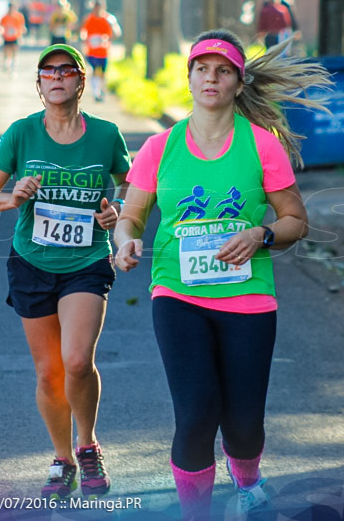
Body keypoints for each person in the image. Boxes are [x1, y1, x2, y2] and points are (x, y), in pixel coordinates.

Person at [113, 29, 331, 518]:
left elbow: (296, 220)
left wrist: (261, 235)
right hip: (177, 292)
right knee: (196, 414)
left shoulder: (262, 147)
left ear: (238, 81)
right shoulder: (159, 148)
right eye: (201, 68)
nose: (211, 77)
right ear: (189, 78)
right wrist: (125, 240)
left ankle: (248, 476)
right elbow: (131, 215)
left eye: (223, 70)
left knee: (244, 424)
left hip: (248, 295)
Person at [0, 43, 131, 501]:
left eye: (66, 70)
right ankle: (62, 458)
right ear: (39, 85)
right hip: (31, 262)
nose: (57, 77)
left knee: (78, 360)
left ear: (81, 81)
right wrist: (14, 196)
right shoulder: (22, 133)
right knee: (49, 373)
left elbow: (134, 183)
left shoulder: (105, 135)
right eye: (48, 72)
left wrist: (117, 210)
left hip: (87, 262)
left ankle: (88, 446)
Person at [79, 0, 121, 102]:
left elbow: (117, 33)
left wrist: (107, 39)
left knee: (102, 71)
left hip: (103, 51)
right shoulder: (88, 19)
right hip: (91, 50)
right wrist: (85, 39)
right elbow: (82, 32)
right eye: (96, 7)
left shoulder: (109, 19)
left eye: (99, 7)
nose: (97, 9)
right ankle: (95, 92)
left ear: (103, 7)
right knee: (94, 69)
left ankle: (101, 90)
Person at [0, 0, 28, 76]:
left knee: (14, 54)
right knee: (7, 53)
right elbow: (1, 26)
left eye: (13, 7)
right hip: (7, 37)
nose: (12, 9)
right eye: (10, 7)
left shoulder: (19, 16)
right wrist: (1, 31)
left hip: (15, 37)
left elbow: (22, 26)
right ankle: (7, 64)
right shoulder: (5, 17)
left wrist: (23, 31)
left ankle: (13, 70)